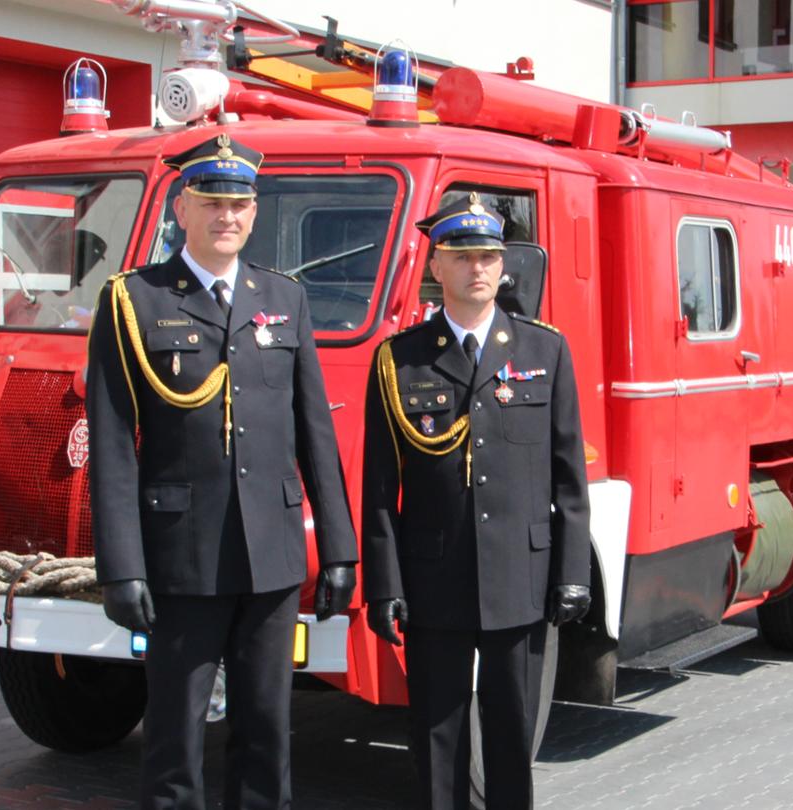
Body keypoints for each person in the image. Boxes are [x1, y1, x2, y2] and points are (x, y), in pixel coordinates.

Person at [86, 133, 358, 810]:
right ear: (182, 207)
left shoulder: (284, 299)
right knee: (175, 739)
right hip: (183, 555)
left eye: (239, 204)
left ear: (254, 213)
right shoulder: (134, 301)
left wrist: (341, 550)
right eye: (211, 202)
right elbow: (114, 445)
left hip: (270, 554)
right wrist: (121, 567)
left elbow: (314, 433)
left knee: (267, 733)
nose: (226, 216)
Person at [360, 194, 593, 810]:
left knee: (513, 736)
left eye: (488, 255)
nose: (478, 269)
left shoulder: (544, 352)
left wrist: (571, 573)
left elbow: (569, 477)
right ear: (437, 266)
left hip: (520, 576)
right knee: (437, 736)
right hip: (434, 578)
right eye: (462, 257)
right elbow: (381, 492)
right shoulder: (399, 359)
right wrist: (385, 587)